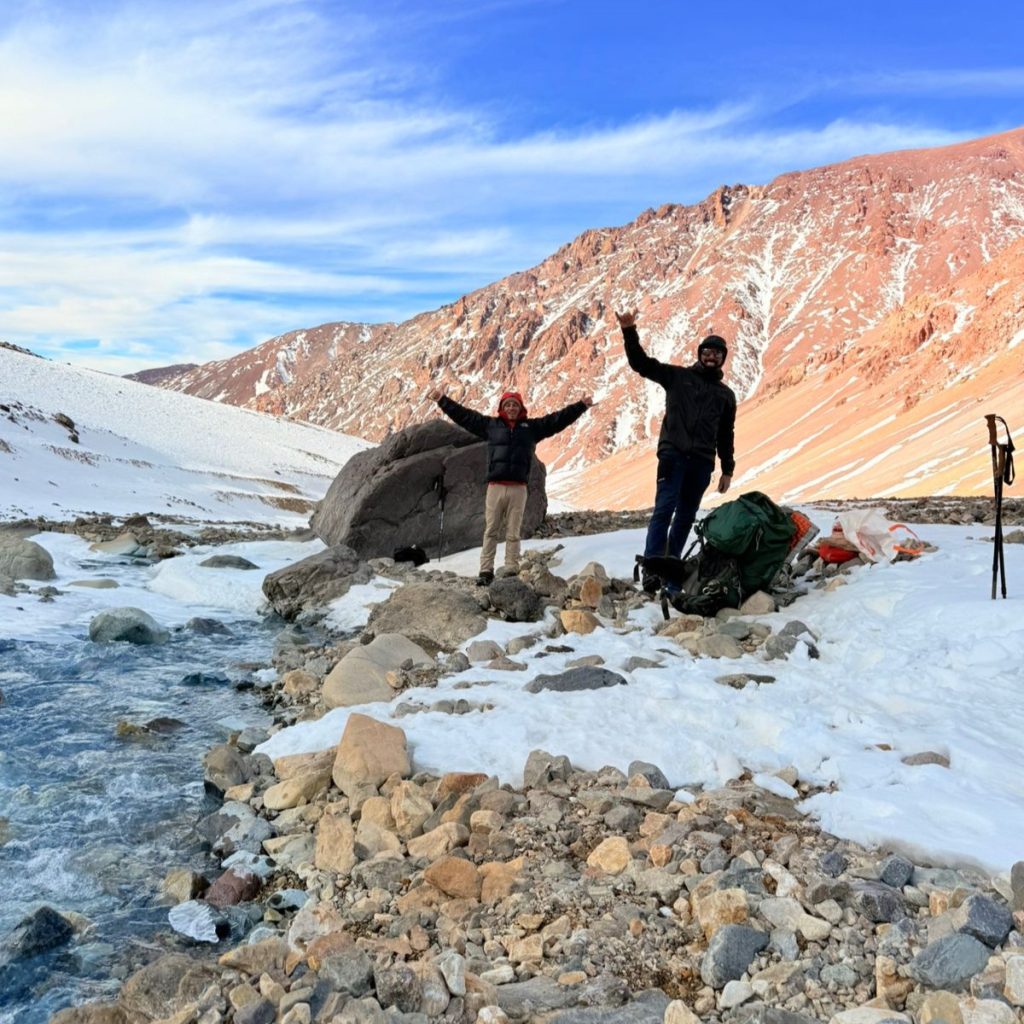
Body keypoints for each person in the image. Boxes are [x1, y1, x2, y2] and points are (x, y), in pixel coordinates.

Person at [615, 309, 737, 594]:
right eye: (707, 351)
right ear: (699, 354)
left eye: (717, 353)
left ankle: (671, 570)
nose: (711, 356)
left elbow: (725, 434)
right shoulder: (677, 377)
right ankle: (651, 571)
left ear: (723, 359)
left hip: (702, 464)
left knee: (685, 516)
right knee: (664, 510)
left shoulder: (725, 396)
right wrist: (629, 330)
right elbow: (641, 364)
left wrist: (727, 469)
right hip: (673, 457)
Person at [428, 388, 593, 585]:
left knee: (513, 532)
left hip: (518, 488)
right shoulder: (491, 426)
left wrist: (581, 406)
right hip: (495, 487)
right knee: (491, 530)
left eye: (515, 404)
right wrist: (442, 400)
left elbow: (557, 420)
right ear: (502, 408)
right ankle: (486, 570)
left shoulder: (531, 428)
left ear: (521, 407)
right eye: (508, 405)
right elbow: (465, 417)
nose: (511, 408)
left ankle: (511, 568)